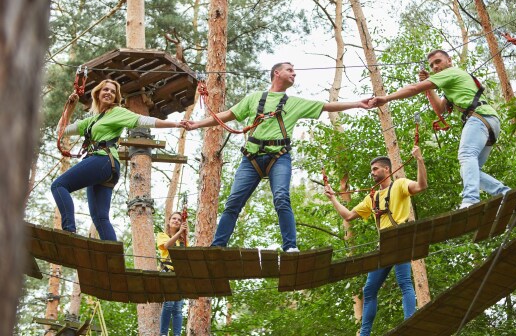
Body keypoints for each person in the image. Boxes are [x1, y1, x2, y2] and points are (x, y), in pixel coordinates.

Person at [182, 62, 371, 252]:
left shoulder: (295, 103)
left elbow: (327, 106)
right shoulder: (254, 98)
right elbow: (228, 114)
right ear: (276, 73)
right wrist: (197, 124)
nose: (294, 74)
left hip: (279, 158)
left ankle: (290, 247)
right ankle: (217, 247)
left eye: (295, 71)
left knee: (281, 198)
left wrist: (357, 103)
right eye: (290, 70)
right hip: (251, 159)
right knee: (233, 202)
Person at [368, 50, 509, 208]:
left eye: (438, 61)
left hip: (479, 119)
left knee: (466, 155)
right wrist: (430, 87)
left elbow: (415, 88)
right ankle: (504, 193)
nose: (435, 67)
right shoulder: (451, 81)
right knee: (467, 170)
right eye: (432, 65)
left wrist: (386, 98)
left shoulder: (451, 72)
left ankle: (471, 199)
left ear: (449, 61)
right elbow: (440, 109)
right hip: (489, 121)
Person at [52, 79, 181, 240]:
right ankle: (113, 261)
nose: (109, 93)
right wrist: (70, 107)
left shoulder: (117, 112)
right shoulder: (91, 120)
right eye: (105, 89)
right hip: (105, 166)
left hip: (103, 160)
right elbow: (61, 131)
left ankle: (69, 230)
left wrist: (176, 124)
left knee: (59, 185)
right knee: (100, 218)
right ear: (97, 93)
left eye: (113, 92)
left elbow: (143, 120)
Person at [323, 146, 427, 336]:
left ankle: (410, 322)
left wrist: (419, 160)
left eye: (375, 169)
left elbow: (421, 186)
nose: (372, 173)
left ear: (387, 169)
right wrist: (333, 198)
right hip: (384, 244)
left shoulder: (400, 185)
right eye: (372, 170)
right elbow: (348, 216)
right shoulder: (372, 197)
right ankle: (364, 334)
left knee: (404, 281)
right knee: (369, 289)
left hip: (400, 238)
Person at [157, 212, 188, 336]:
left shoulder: (183, 241)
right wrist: (180, 232)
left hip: (180, 275)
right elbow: (166, 245)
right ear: (169, 221)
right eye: (174, 218)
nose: (176, 221)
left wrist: (183, 235)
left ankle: (177, 334)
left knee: (178, 309)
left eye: (179, 220)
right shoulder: (162, 235)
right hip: (168, 272)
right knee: (169, 304)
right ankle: (163, 333)